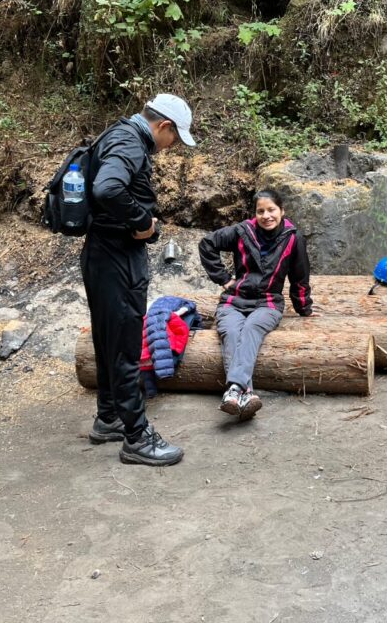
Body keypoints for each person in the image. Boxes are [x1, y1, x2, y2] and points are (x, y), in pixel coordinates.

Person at [83, 93, 195, 465]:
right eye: (174, 138)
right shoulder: (131, 144)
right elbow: (107, 188)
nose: (171, 146)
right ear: (163, 126)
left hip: (101, 253)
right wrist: (142, 223)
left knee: (107, 336)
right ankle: (137, 437)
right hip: (117, 258)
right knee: (127, 345)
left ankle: (109, 416)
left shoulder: (115, 134)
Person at [198, 189, 315, 420]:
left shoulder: (293, 239)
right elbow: (207, 244)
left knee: (251, 328)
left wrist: (304, 308)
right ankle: (245, 393)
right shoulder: (243, 231)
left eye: (271, 210)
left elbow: (300, 278)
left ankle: (234, 390)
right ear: (255, 213)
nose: (266, 216)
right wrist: (223, 278)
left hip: (268, 303)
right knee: (230, 331)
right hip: (234, 300)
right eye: (260, 211)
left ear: (282, 211)